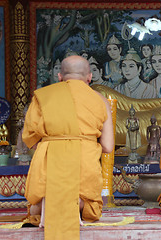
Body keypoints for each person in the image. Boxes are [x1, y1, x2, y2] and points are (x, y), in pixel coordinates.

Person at [22, 55, 114, 238]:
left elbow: (30, 139)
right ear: (89, 77)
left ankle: (45, 203)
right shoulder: (100, 100)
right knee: (91, 208)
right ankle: (76, 202)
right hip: (84, 162)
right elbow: (108, 146)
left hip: (49, 163)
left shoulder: (43, 96)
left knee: (34, 209)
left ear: (59, 76)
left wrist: (56, 141)